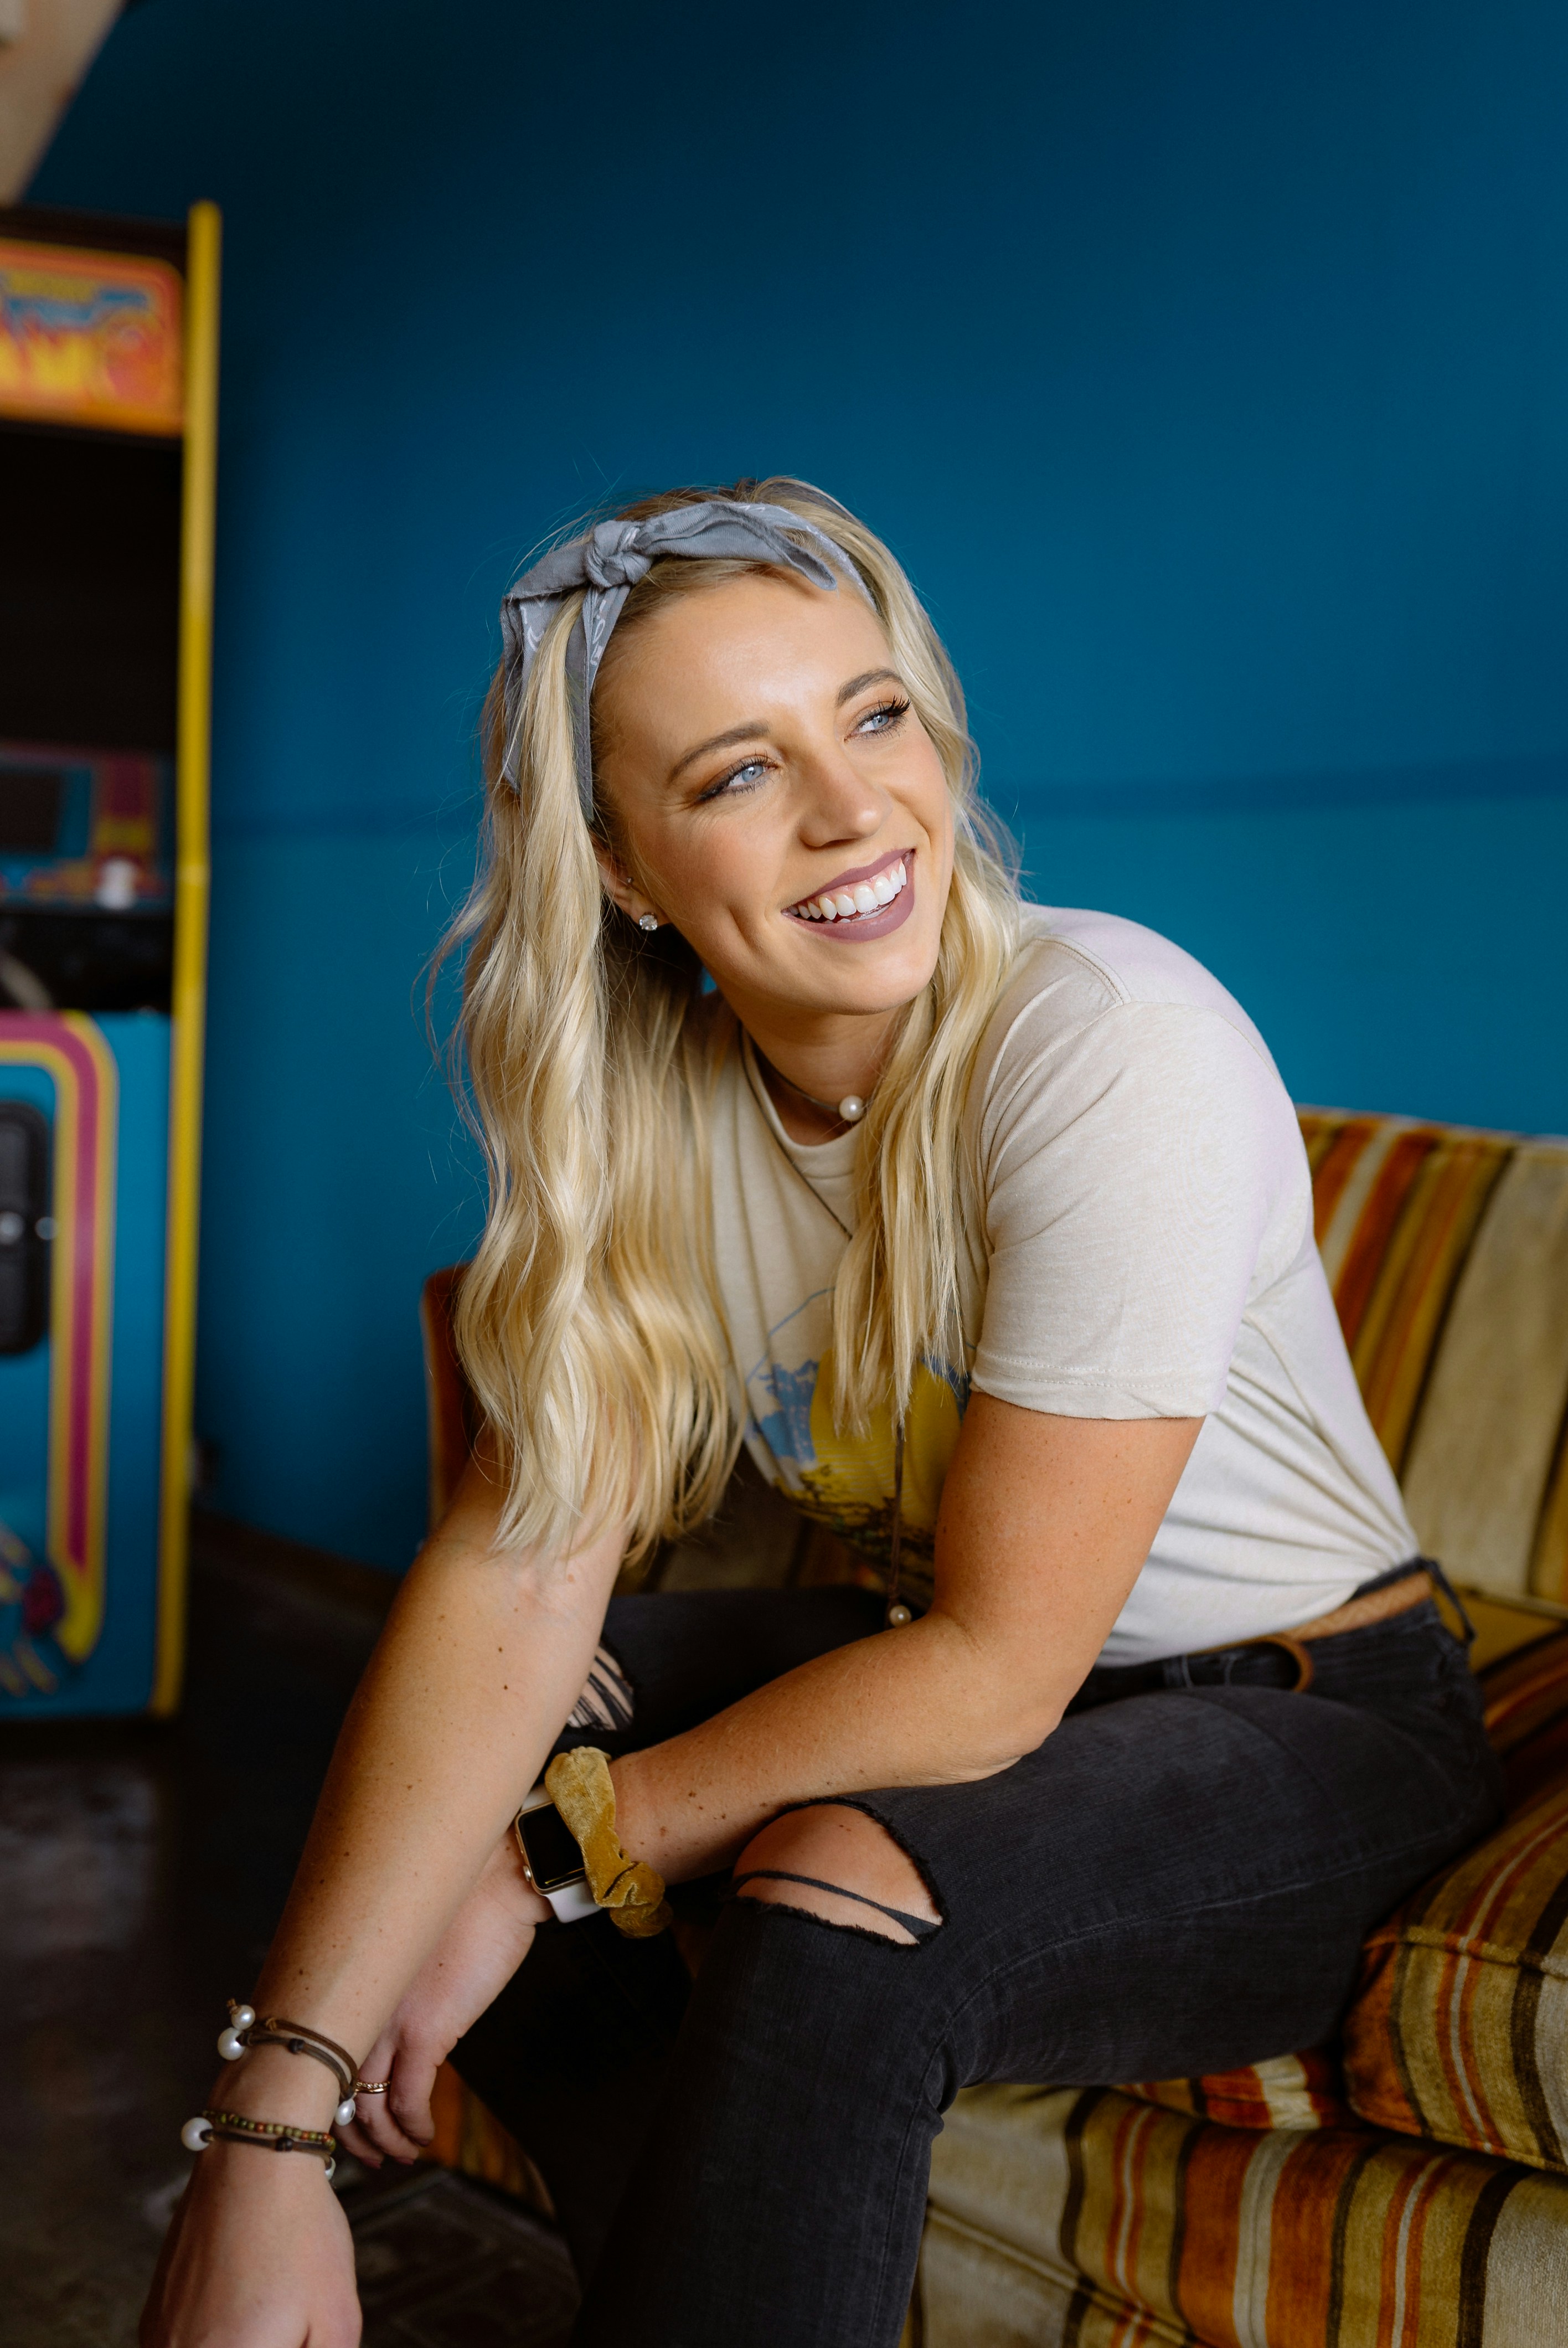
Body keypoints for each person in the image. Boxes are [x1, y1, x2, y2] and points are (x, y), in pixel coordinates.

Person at [142, 479, 1499, 2348]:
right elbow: (510, 1588)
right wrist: (261, 2136)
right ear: (621, 866)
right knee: (468, 1749)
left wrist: (545, 1870)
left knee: (813, 1885)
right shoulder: (649, 1123)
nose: (857, 811)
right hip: (963, 1682)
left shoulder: (1113, 1044)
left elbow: (1001, 1670)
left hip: (1313, 1721)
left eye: (873, 717)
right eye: (733, 773)